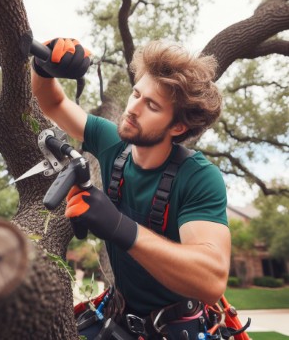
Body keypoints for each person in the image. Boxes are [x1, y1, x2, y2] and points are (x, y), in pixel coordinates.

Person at [31, 38, 231, 339]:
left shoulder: (200, 177)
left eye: (151, 105)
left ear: (177, 127)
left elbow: (211, 281)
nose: (133, 109)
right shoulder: (113, 142)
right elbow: (54, 103)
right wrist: (44, 68)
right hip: (117, 314)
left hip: (174, 328)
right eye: (136, 93)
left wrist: (119, 227)